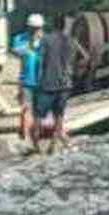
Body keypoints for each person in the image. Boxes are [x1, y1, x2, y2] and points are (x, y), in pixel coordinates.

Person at [33, 14, 77, 154]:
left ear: (52, 25)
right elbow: (76, 59)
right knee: (59, 116)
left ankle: (37, 148)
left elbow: (39, 61)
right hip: (65, 85)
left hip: (47, 84)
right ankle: (53, 145)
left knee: (38, 116)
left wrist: (37, 80)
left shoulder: (46, 40)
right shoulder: (70, 41)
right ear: (64, 26)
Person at [13, 13, 45, 145]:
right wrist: (31, 44)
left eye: (37, 28)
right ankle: (26, 136)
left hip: (41, 79)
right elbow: (16, 51)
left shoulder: (45, 40)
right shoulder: (20, 39)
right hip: (26, 79)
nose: (35, 31)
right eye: (33, 28)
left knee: (39, 109)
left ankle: (36, 135)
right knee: (25, 108)